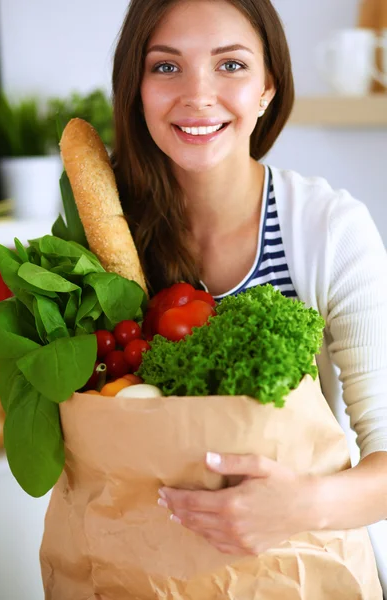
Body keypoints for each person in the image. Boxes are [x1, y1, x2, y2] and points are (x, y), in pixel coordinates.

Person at [111, 0, 387, 563]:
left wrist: (302, 506)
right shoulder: (102, 238)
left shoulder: (330, 229)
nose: (197, 95)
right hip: (134, 564)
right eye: (166, 66)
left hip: (296, 568)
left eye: (231, 64)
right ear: (135, 89)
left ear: (268, 88)